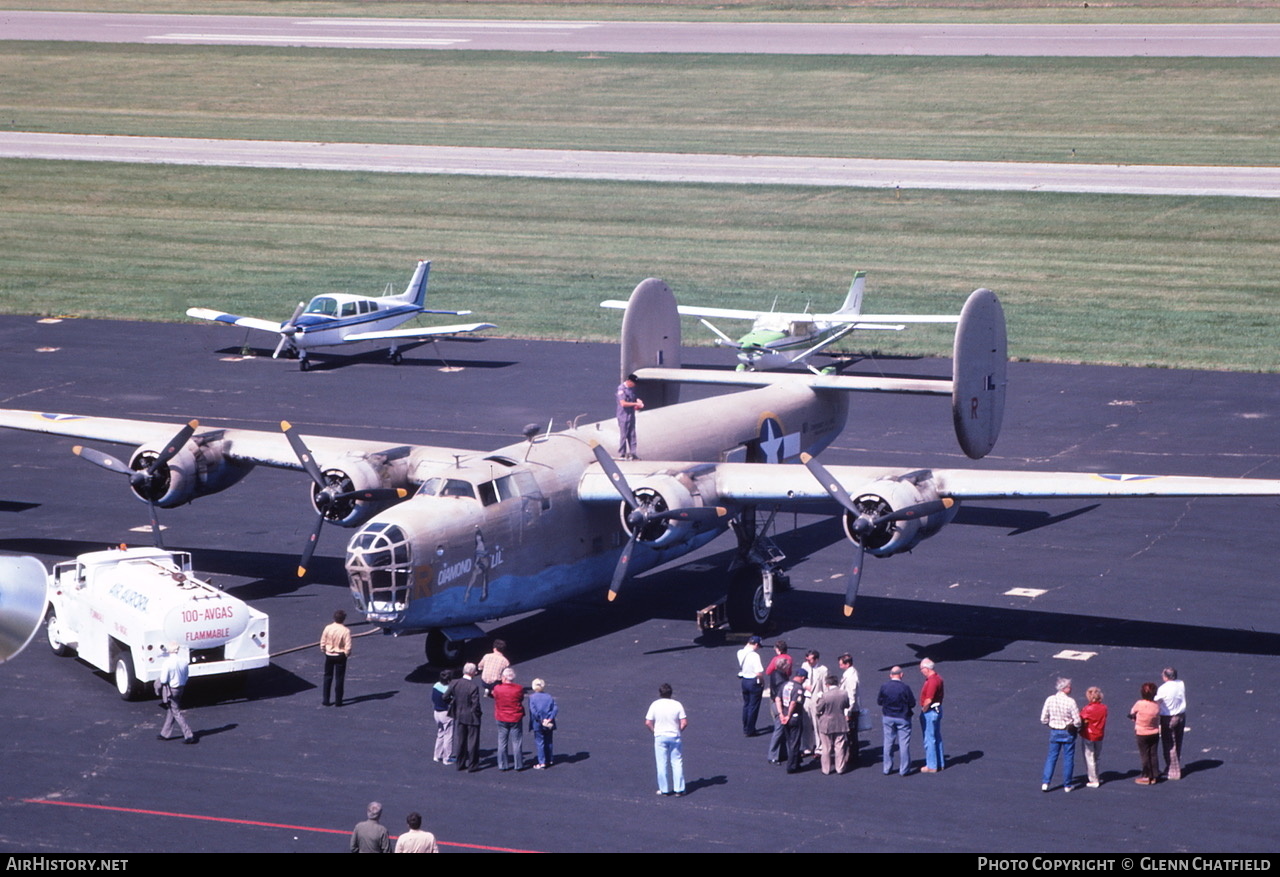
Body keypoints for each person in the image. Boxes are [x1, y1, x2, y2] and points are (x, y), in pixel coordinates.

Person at [645, 683, 687, 796]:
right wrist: (678, 731)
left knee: (661, 763)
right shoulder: (677, 705)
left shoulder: (655, 705)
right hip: (674, 736)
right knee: (677, 762)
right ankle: (679, 789)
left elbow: (648, 722)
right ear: (671, 693)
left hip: (660, 736)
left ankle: (664, 790)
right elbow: (684, 722)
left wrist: (655, 732)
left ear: (660, 693)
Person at [1040, 677, 1081, 792]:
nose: (1071, 688)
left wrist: (1051, 725)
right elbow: (1077, 721)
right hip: (1068, 732)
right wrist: (1075, 726)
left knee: (1052, 757)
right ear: (1064, 688)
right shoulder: (1070, 702)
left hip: (1054, 731)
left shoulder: (1050, 699)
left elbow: (1043, 719)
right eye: (1069, 686)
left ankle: (1045, 782)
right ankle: (1067, 785)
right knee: (1068, 758)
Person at [155, 641, 196, 744]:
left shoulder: (167, 663)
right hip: (181, 688)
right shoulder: (184, 662)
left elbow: (163, 680)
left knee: (176, 711)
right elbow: (186, 676)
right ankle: (165, 733)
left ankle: (189, 734)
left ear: (169, 650)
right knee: (172, 709)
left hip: (172, 689)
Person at [878, 666, 915, 776]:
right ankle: (904, 769)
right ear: (901, 675)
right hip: (902, 717)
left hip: (888, 717)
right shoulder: (905, 688)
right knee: (904, 744)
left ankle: (887, 768)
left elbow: (879, 701)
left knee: (888, 742)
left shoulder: (884, 686)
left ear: (890, 675)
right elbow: (912, 703)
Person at [445, 662, 483, 771]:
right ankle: (472, 765)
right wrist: (478, 714)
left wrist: (454, 704)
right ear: (472, 673)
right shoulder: (473, 686)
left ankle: (460, 763)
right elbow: (475, 704)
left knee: (461, 741)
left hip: (460, 715)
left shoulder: (455, 683)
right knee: (473, 742)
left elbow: (445, 696)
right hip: (472, 717)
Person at [1155, 667, 1186, 781]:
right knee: (1178, 742)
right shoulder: (1181, 684)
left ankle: (1173, 771)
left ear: (1166, 676)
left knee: (1169, 745)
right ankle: (1173, 767)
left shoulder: (1163, 688)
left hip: (1168, 717)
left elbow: (1157, 701)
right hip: (1181, 716)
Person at [493, 666, 527, 771]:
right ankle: (518, 764)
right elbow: (521, 698)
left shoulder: (497, 688)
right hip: (515, 717)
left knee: (502, 742)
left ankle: (502, 764)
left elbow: (495, 697)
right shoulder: (519, 688)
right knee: (517, 742)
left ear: (504, 677)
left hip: (501, 717)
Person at [816, 674, 851, 775]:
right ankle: (840, 768)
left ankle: (826, 769)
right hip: (840, 722)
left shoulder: (825, 695)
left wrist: (819, 699)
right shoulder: (844, 693)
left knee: (826, 747)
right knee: (839, 746)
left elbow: (819, 708)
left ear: (827, 684)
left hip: (826, 723)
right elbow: (847, 705)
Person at [1129, 682, 1161, 785]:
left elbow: (1132, 712)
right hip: (1154, 732)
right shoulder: (1156, 705)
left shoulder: (1139, 704)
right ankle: (1154, 775)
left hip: (1142, 733)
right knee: (1153, 754)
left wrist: (1134, 717)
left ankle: (1146, 776)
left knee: (1145, 755)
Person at [766, 652, 794, 764]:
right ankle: (772, 755)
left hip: (776, 703)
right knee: (779, 729)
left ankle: (781, 753)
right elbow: (781, 693)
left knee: (782, 729)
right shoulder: (781, 679)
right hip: (779, 705)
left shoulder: (775, 674)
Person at [777, 670, 808, 773]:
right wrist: (789, 715)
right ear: (803, 678)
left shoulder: (785, 684)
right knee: (795, 742)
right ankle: (792, 766)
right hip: (794, 717)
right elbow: (794, 703)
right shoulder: (799, 689)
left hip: (784, 716)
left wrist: (781, 714)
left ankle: (797, 760)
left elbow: (778, 699)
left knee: (790, 741)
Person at [320, 609, 352, 707]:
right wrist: (346, 654)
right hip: (340, 656)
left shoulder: (328, 628)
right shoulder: (346, 631)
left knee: (327, 677)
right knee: (339, 678)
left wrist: (324, 650)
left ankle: (326, 700)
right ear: (344, 619)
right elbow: (348, 646)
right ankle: (338, 701)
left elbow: (323, 641)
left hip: (329, 654)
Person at [918, 658, 945, 772]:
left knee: (929, 738)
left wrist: (924, 710)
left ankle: (932, 765)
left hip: (930, 712)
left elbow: (929, 699)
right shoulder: (938, 678)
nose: (921, 671)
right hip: (937, 710)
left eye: (921, 669)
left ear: (926, 668)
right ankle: (940, 762)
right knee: (937, 737)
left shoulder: (932, 681)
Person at [1080, 686, 1108, 788]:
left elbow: (1081, 718)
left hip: (1089, 735)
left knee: (1089, 757)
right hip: (1099, 734)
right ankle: (1096, 775)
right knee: (1097, 756)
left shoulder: (1087, 709)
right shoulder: (1104, 708)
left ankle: (1093, 779)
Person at [737, 635, 765, 736]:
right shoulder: (755, 656)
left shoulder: (740, 652)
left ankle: (745, 727)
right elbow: (759, 673)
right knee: (753, 707)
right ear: (756, 644)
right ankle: (750, 729)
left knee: (746, 705)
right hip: (754, 681)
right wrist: (762, 682)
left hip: (744, 681)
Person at [801, 650, 828, 755]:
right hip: (806, 698)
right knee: (806, 723)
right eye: (807, 659)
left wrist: (823, 700)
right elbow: (801, 680)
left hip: (816, 699)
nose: (808, 662)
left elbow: (825, 687)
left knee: (817, 724)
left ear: (817, 659)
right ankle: (807, 746)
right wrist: (805, 686)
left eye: (810, 660)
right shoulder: (805, 666)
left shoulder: (823, 670)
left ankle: (819, 747)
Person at [529, 677, 558, 769]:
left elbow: (533, 711)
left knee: (540, 742)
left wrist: (541, 719)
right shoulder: (549, 696)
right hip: (549, 723)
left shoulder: (532, 698)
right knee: (549, 741)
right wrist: (549, 718)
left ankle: (542, 762)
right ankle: (549, 759)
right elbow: (555, 708)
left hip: (538, 724)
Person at [838, 653, 861, 764]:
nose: (839, 666)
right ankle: (852, 755)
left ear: (847, 664)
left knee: (851, 735)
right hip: (850, 709)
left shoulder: (851, 677)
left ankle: (853, 757)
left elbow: (851, 696)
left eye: (841, 664)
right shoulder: (849, 673)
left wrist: (847, 713)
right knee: (851, 734)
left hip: (851, 711)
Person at [615, 373, 644, 459]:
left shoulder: (631, 389)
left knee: (632, 434)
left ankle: (633, 453)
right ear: (629, 381)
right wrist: (635, 403)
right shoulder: (621, 389)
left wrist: (639, 401)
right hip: (623, 415)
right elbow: (623, 403)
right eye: (634, 383)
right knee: (624, 434)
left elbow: (634, 397)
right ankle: (622, 453)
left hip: (631, 414)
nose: (635, 385)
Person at [431, 669, 455, 764]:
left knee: (440, 734)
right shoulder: (448, 690)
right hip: (446, 713)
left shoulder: (436, 685)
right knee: (448, 736)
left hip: (436, 712)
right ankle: (447, 758)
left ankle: (437, 755)